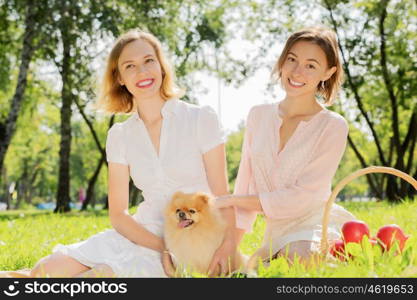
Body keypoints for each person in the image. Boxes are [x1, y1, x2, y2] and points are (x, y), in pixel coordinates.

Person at [26, 29, 236, 277]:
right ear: (120, 78)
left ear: (161, 66)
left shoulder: (201, 118)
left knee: (101, 277)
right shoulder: (120, 135)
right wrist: (161, 247)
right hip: (142, 233)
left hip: (193, 236)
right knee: (44, 271)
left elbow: (223, 197)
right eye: (130, 66)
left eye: (149, 61)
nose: (143, 72)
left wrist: (228, 247)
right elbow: (118, 215)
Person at [215, 27, 356, 266]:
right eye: (292, 59)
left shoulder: (332, 126)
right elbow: (245, 184)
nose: (297, 71)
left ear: (328, 72)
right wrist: (230, 247)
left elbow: (303, 197)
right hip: (276, 234)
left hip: (315, 226)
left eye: (311, 65)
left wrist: (232, 200)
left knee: (300, 257)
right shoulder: (258, 116)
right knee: (241, 266)